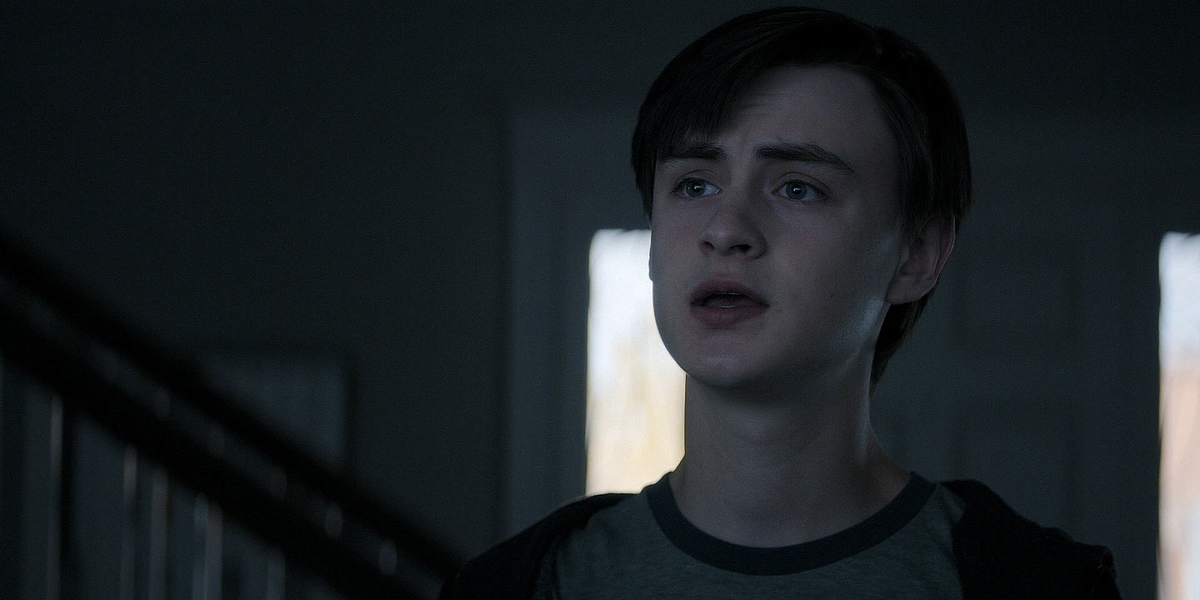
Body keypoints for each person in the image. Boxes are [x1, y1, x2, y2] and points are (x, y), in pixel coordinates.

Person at [442, 6, 1119, 599]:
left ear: (914, 256)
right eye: (694, 186)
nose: (725, 230)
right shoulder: (528, 585)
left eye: (797, 188)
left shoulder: (1039, 584)